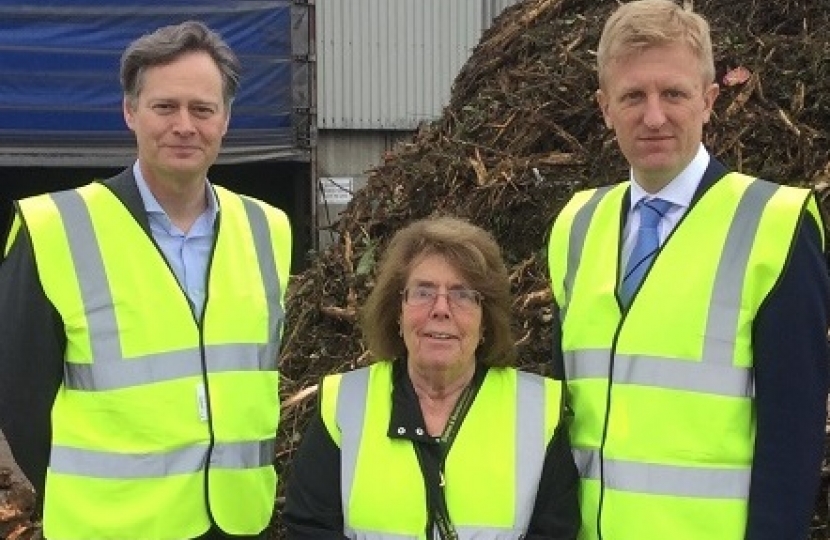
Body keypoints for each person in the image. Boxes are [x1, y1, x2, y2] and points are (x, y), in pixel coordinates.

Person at [546, 1, 830, 539]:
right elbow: (564, 413)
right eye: (633, 96)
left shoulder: (775, 224)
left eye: (673, 93)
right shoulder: (575, 226)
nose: (653, 116)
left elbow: (792, 436)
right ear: (605, 107)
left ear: (709, 99)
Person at [0, 21, 292, 540]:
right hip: (111, 525)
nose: (185, 124)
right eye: (165, 107)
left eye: (202, 109)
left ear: (224, 119)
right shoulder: (54, 228)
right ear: (130, 112)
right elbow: (19, 397)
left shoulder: (268, 228)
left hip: (238, 521)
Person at [284, 216, 580, 539]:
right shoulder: (344, 405)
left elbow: (556, 531)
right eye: (423, 292)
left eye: (462, 294)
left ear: (485, 322)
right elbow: (310, 527)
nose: (441, 309)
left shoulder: (538, 412)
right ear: (397, 312)